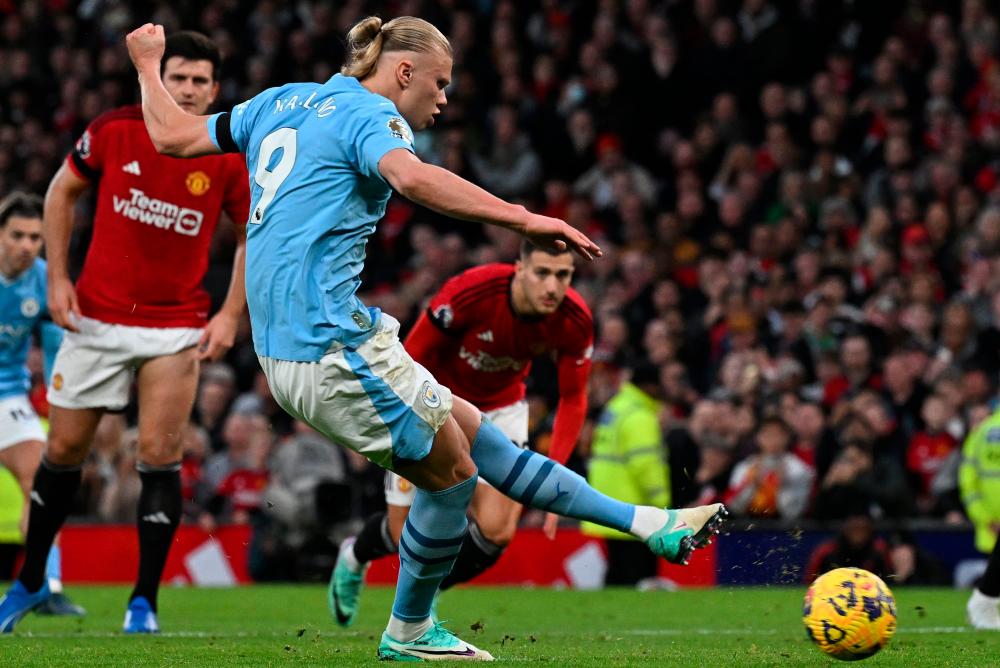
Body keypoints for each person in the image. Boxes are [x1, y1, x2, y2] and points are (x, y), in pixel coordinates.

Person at [122, 17, 727, 661]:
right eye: (440, 83)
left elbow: (172, 135)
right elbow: (412, 179)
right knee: (454, 478)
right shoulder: (372, 118)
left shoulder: (280, 100)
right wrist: (525, 217)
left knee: (480, 440)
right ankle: (409, 629)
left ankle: (652, 526)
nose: (443, 98)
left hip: (329, 340)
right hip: (326, 348)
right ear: (403, 72)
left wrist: (147, 64)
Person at [0, 32, 250, 634]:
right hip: (95, 318)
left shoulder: (226, 153)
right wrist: (57, 278)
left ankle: (144, 603)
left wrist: (230, 313)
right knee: (61, 456)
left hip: (174, 327)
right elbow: (62, 192)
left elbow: (252, 234)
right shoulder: (115, 128)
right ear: (160, 79)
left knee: (158, 459)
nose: (188, 89)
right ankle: (31, 581)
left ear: (214, 91)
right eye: (179, 77)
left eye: (199, 81)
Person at [330, 240, 594, 625]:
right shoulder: (471, 292)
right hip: (435, 399)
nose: (552, 287)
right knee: (403, 532)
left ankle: (428, 596)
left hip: (500, 410)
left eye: (563, 275)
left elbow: (573, 398)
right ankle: (354, 556)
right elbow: (410, 355)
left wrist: (554, 480)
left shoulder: (574, 319)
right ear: (519, 268)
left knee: (498, 529)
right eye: (542, 273)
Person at [0, 192, 84, 617]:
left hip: (7, 395)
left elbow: (55, 345)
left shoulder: (44, 279)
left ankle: (44, 585)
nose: (26, 245)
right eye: (17, 235)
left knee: (42, 483)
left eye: (35, 237)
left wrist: (60, 395)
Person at [580, 362, 672, 587]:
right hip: (634, 507)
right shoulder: (639, 416)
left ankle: (610, 619)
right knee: (637, 576)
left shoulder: (617, 407)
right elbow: (645, 464)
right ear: (650, 387)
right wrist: (661, 502)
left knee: (618, 573)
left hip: (609, 503)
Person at [960, 405, 1000, 630]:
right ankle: (985, 599)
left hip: (989, 519)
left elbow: (968, 483)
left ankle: (985, 599)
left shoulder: (983, 431)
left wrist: (982, 516)